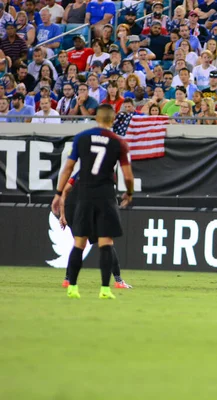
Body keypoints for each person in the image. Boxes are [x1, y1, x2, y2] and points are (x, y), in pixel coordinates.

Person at [51, 104, 134, 300]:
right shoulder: (118, 142)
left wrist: (57, 193)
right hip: (105, 195)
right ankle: (105, 289)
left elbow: (68, 168)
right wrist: (129, 193)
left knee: (79, 242)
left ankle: (72, 286)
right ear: (113, 120)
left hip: (85, 194)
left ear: (96, 118)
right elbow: (128, 175)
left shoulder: (82, 137)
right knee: (106, 243)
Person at [58, 171, 133, 289]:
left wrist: (62, 215)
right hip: (87, 206)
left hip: (71, 209)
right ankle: (118, 281)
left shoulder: (80, 173)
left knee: (78, 244)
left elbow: (65, 191)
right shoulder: (105, 174)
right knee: (107, 243)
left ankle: (67, 280)